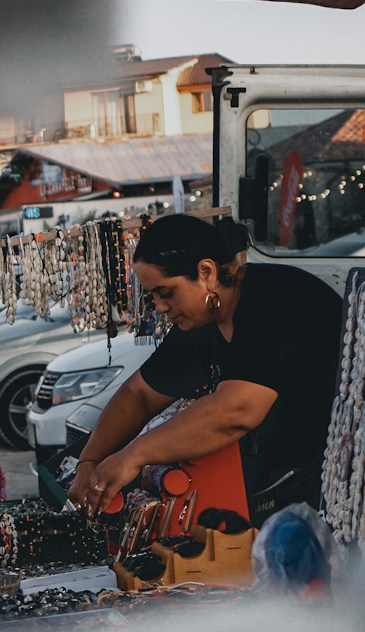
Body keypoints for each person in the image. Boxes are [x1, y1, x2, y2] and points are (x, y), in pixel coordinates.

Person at [68, 214, 344, 524]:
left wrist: (132, 456)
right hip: (274, 491)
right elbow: (140, 394)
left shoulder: (278, 301)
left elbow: (236, 410)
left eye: (166, 292)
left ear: (206, 273)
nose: (159, 307)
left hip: (330, 490)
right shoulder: (203, 321)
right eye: (153, 296)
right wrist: (89, 462)